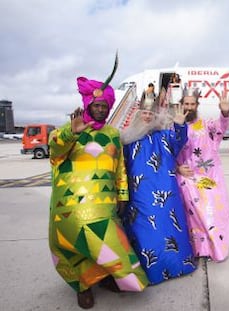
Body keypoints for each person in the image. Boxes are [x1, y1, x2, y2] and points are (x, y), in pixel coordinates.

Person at [48, 71, 148, 309]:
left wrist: (122, 194)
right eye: (97, 105)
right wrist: (70, 133)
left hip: (103, 204)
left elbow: (119, 167)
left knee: (110, 244)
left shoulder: (112, 134)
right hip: (69, 204)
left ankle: (106, 277)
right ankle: (82, 287)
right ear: (88, 105)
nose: (101, 109)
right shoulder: (69, 130)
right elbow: (55, 153)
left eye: (105, 106)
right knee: (71, 246)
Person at [120, 95, 197, 285]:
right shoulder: (126, 139)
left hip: (165, 190)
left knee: (168, 226)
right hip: (139, 194)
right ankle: (151, 272)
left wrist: (179, 125)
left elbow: (178, 142)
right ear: (138, 115)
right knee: (144, 232)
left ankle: (178, 266)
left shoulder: (163, 136)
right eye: (144, 112)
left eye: (150, 113)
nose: (147, 116)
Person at [176, 87, 229, 262]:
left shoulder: (207, 125)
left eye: (193, 104)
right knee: (190, 214)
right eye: (186, 103)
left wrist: (224, 111)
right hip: (186, 178)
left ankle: (212, 248)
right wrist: (177, 169)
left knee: (212, 213)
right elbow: (166, 151)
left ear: (197, 105)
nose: (189, 107)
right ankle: (196, 249)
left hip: (209, 178)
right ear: (181, 105)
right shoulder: (174, 127)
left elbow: (221, 125)